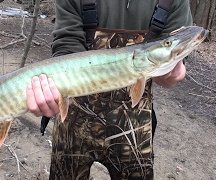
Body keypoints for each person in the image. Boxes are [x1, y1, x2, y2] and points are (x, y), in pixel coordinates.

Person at [26, 0, 192, 179]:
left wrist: (173, 75)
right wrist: (51, 90)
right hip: (73, 121)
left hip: (133, 129)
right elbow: (67, 48)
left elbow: (168, 77)